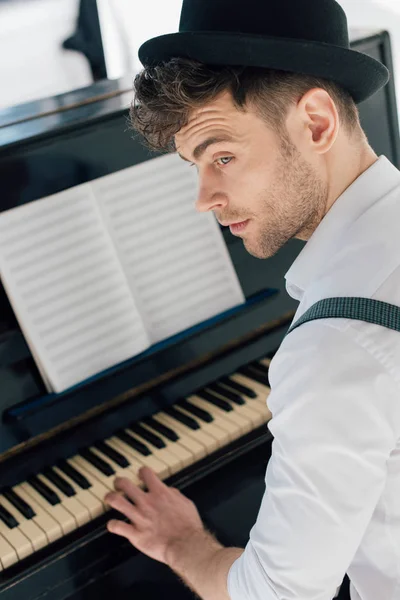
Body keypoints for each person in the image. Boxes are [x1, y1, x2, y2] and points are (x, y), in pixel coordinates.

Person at [104, 1, 400, 599]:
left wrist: (182, 543)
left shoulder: (336, 344)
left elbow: (276, 594)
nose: (204, 198)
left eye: (223, 156)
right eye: (196, 166)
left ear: (316, 122)